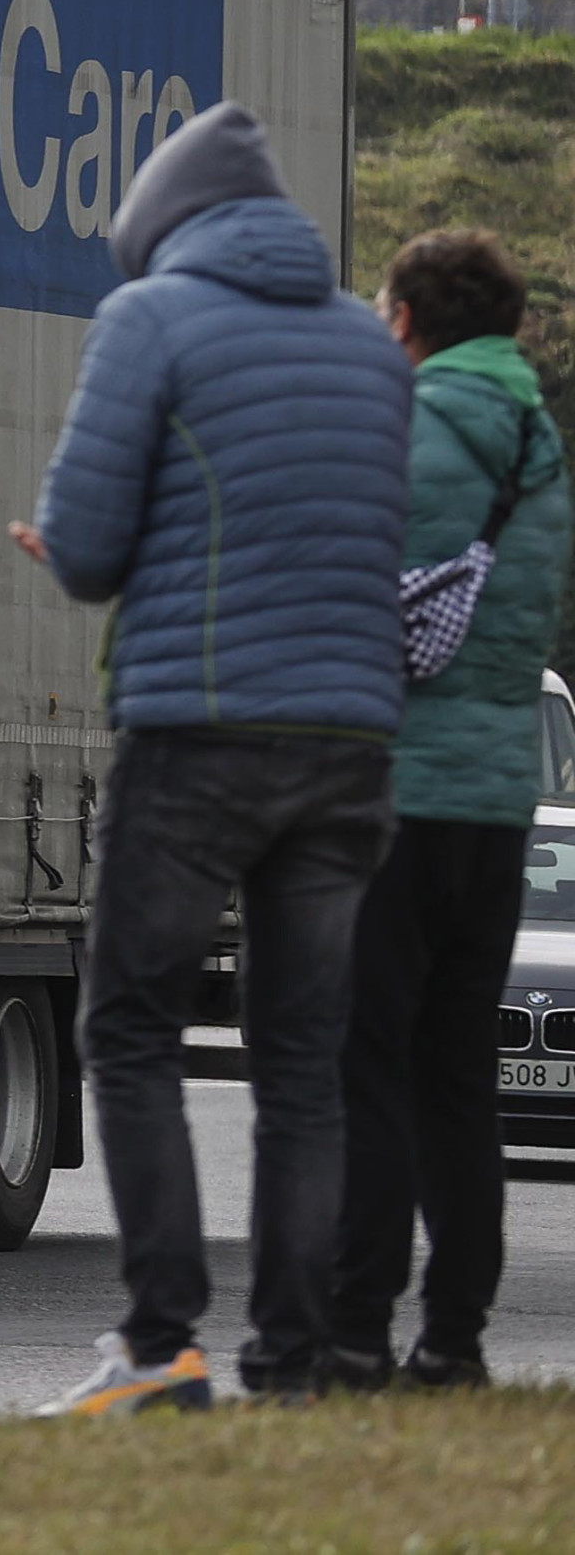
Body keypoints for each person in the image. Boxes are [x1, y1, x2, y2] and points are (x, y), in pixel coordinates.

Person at [13, 102, 411, 1414]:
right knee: (302, 1057)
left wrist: (69, 546)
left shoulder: (150, 323)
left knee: (129, 1027)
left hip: (200, 733)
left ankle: (159, 1344)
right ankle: (291, 1364)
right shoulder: (369, 342)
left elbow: (85, 545)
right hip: (351, 744)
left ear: (162, 226)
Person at [327, 228, 566, 1390]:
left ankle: (357, 1326)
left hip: (395, 797)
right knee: (458, 1082)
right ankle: (455, 1337)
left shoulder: (403, 428)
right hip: (498, 807)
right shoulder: (541, 442)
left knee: (366, 1065)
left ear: (410, 319)